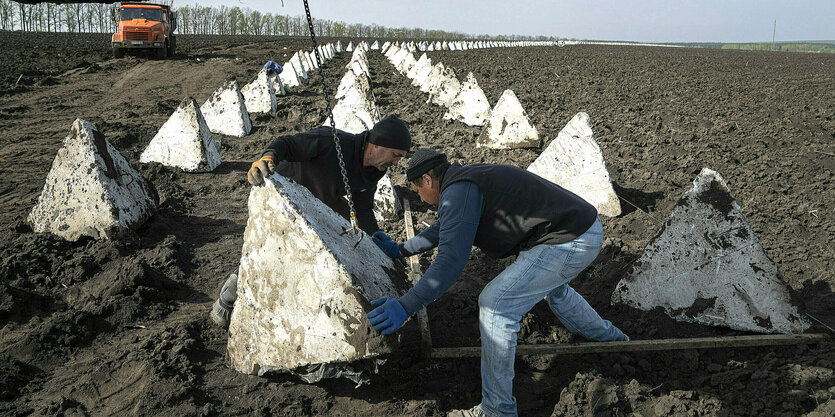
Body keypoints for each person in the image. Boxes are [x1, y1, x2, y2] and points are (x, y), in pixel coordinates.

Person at [367, 148, 628, 417]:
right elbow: (446, 227)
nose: (420, 197)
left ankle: (497, 410)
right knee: (555, 291)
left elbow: (450, 262)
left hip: (570, 240)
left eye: (416, 189)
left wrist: (406, 306)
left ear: (427, 180)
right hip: (576, 229)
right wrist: (402, 250)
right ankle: (612, 340)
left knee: (495, 305)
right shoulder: (463, 183)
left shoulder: (459, 191)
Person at [210, 115, 411, 328]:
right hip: (287, 192)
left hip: (320, 202)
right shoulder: (331, 141)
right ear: (378, 144)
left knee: (333, 244)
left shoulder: (375, 171)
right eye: (396, 155)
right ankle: (226, 300)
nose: (396, 162)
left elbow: (362, 208)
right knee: (272, 249)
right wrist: (268, 158)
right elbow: (287, 144)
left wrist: (375, 239)